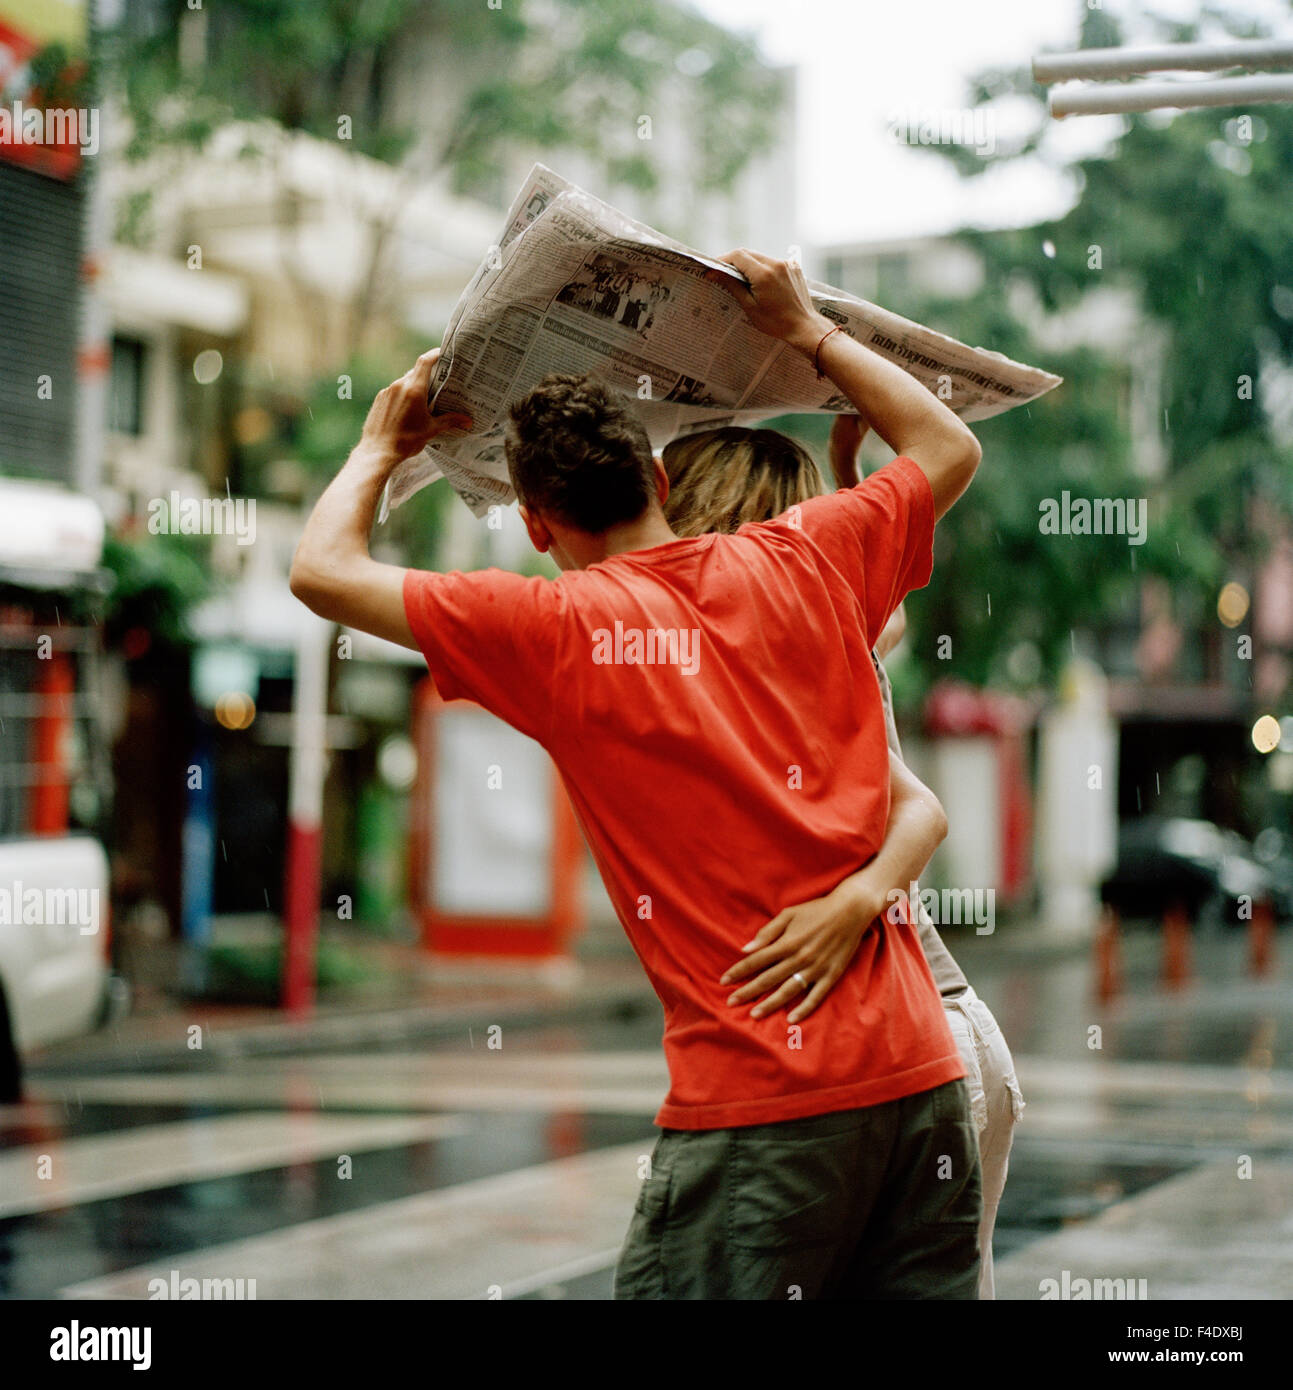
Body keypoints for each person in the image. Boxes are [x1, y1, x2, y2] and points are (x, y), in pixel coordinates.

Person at [289, 249, 985, 1299]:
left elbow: (322, 570)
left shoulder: (551, 631)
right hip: (922, 1084)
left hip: (767, 1103)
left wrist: (379, 446)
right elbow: (947, 440)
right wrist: (806, 330)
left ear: (534, 523)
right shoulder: (805, 555)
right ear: (660, 477)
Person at [660, 415, 1025, 1299]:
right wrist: (848, 466)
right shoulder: (830, 623)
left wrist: (852, 903)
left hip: (898, 1049)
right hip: (960, 1035)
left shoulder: (743, 648)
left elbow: (921, 813)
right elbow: (886, 610)